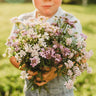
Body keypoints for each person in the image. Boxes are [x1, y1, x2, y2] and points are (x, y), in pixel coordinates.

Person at [10, 0, 82, 96]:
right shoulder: (22, 21)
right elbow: (12, 56)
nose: (47, 0)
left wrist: (55, 72)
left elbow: (80, 57)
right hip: (31, 92)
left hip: (62, 92)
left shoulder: (71, 21)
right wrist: (29, 69)